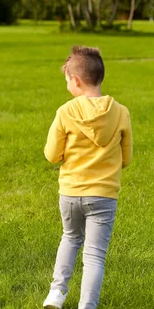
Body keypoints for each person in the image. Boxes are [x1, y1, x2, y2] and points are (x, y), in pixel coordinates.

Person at [42, 45, 132, 309]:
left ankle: (56, 294)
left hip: (70, 193)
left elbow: (51, 155)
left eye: (67, 80)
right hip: (104, 195)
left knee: (70, 238)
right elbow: (127, 158)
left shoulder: (65, 112)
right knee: (94, 255)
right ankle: (87, 305)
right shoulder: (121, 112)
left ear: (76, 80)